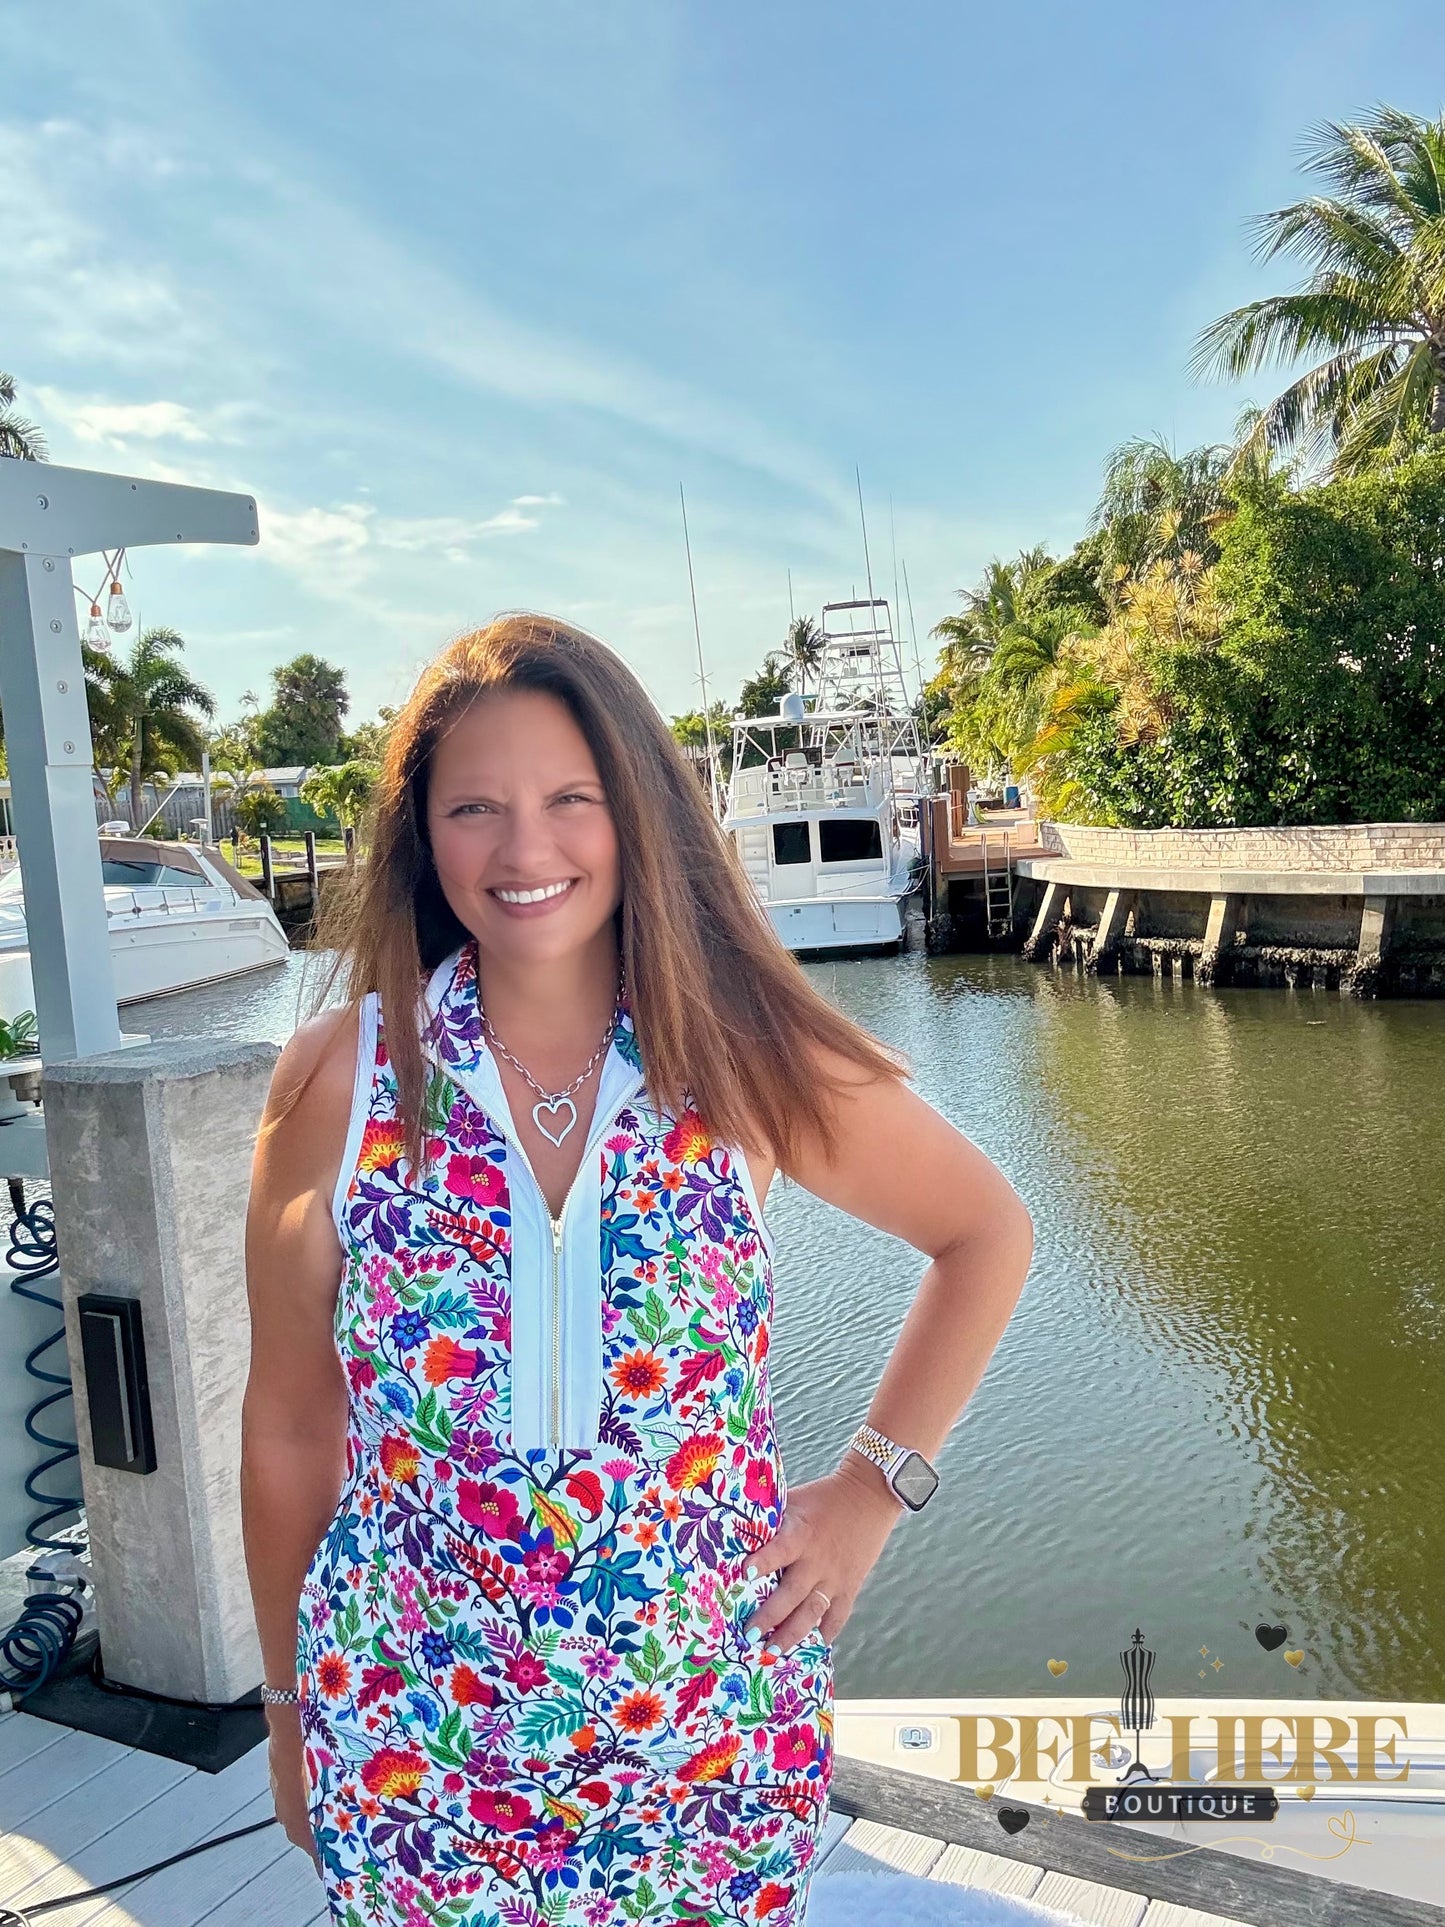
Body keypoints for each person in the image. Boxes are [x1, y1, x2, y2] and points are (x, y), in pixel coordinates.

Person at [241, 614, 1033, 1926]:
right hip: (406, 1750)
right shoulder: (342, 1077)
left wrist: (870, 1491)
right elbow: (285, 1426)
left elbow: (984, 1232)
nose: (526, 850)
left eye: (573, 799)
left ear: (640, 814)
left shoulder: (738, 1056)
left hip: (706, 1755)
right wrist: (286, 1713)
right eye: (475, 807)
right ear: (422, 834)